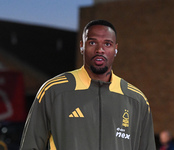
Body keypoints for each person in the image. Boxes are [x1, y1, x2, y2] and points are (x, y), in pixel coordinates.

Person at [20, 19, 156, 150]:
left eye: (107, 44)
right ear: (82, 46)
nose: (100, 50)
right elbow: (30, 146)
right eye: (92, 42)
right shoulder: (54, 91)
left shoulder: (137, 100)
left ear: (116, 49)